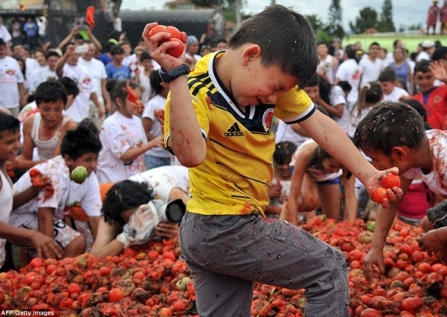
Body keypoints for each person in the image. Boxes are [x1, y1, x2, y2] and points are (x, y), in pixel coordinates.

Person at [144, 5, 399, 316]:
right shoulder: (193, 89)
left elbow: (319, 125)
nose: (275, 100)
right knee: (329, 268)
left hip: (209, 232)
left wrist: (368, 173)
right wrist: (175, 75)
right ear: (250, 55)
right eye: (276, 89)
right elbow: (191, 155)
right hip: (223, 225)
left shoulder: (270, 84)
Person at [354, 101, 447, 316]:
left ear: (399, 154)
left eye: (374, 159)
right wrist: (376, 247)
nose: (374, 165)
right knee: (431, 221)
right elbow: (392, 199)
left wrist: (440, 236)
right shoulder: (418, 149)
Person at [9, 124, 102, 258]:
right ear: (68, 159)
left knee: (84, 245)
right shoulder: (55, 174)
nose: (93, 165)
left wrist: (103, 252)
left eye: (95, 159)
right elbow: (44, 217)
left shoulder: (90, 177)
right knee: (75, 243)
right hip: (15, 217)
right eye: (88, 160)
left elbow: (95, 219)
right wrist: (50, 264)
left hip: (40, 217)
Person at [0, 112, 62, 276]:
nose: (17, 146)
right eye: (10, 142)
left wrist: (34, 190)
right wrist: (31, 235)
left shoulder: (0, 165)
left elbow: (4, 206)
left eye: (17, 139)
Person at [91, 165, 189, 257]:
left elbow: (202, 223)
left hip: (189, 189)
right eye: (131, 219)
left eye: (143, 213)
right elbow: (96, 255)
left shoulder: (172, 195)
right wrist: (127, 235)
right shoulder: (113, 213)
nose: (141, 220)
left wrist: (180, 234)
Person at [97, 80, 163, 183]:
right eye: (134, 99)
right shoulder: (111, 124)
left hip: (134, 180)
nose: (139, 102)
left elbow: (140, 152)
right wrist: (151, 144)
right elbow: (124, 155)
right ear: (119, 102)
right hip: (114, 182)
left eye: (140, 98)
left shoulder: (137, 120)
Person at [283, 139, 357, 223]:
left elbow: (350, 196)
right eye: (332, 166)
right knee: (310, 201)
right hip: (307, 169)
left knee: (332, 220)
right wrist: (293, 225)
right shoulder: (306, 153)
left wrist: (352, 226)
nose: (336, 171)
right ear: (322, 155)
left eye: (340, 168)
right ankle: (287, 207)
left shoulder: (347, 163)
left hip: (328, 175)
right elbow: (293, 195)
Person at [15, 80, 78, 170]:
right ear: (38, 106)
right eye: (47, 109)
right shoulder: (30, 123)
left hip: (63, 171)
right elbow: (26, 156)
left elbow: (55, 163)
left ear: (63, 107)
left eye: (57, 110)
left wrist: (19, 164)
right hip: (40, 169)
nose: (52, 116)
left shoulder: (69, 126)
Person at [412, 60, 447, 130]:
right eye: (420, 78)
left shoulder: (444, 90)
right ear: (414, 78)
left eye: (428, 77)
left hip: (444, 135)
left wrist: (446, 79)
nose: (424, 81)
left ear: (434, 76)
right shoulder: (414, 99)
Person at [142, 70, 171, 169]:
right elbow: (145, 131)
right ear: (164, 84)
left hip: (171, 155)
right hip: (155, 155)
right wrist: (161, 142)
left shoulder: (174, 99)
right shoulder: (153, 104)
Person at [0, 38, 26, 117]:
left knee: (13, 125)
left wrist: (22, 98)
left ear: (5, 48)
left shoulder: (13, 62)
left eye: (0, 49)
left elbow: (20, 81)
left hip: (12, 102)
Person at [267, 141, 296, 217]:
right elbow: (255, 204)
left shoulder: (301, 177)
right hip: (274, 222)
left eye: (289, 163)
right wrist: (268, 195)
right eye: (281, 163)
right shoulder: (268, 177)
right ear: (274, 162)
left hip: (298, 220)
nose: (285, 167)